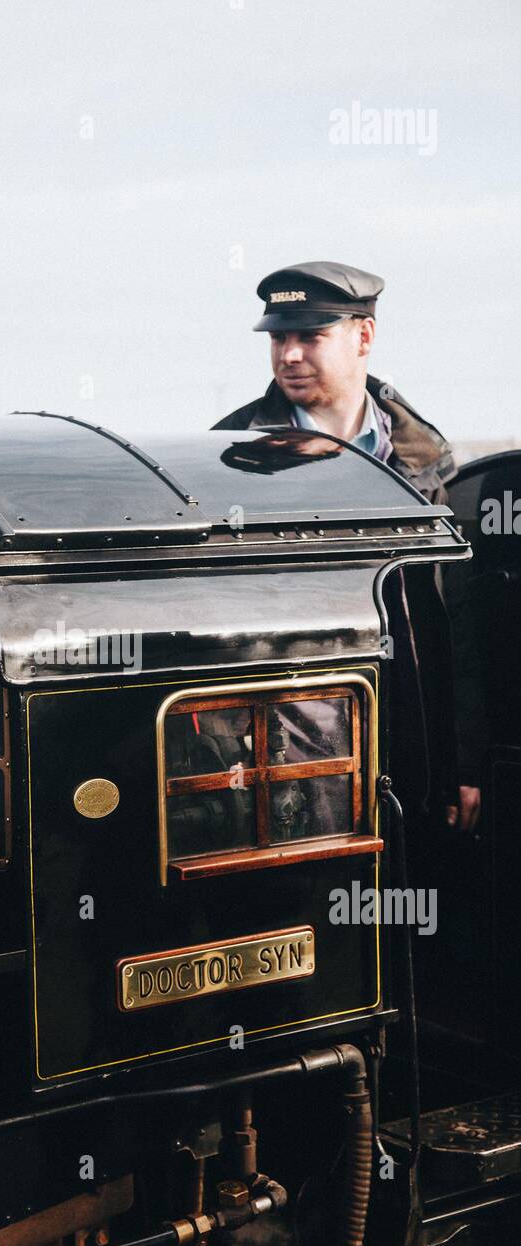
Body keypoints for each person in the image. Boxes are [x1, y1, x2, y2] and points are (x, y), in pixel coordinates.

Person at [212, 260, 482, 834]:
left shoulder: (425, 460)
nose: (288, 355)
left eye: (309, 336)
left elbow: (455, 625)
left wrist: (463, 762)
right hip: (290, 760)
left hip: (413, 747)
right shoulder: (229, 457)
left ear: (364, 336)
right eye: (279, 337)